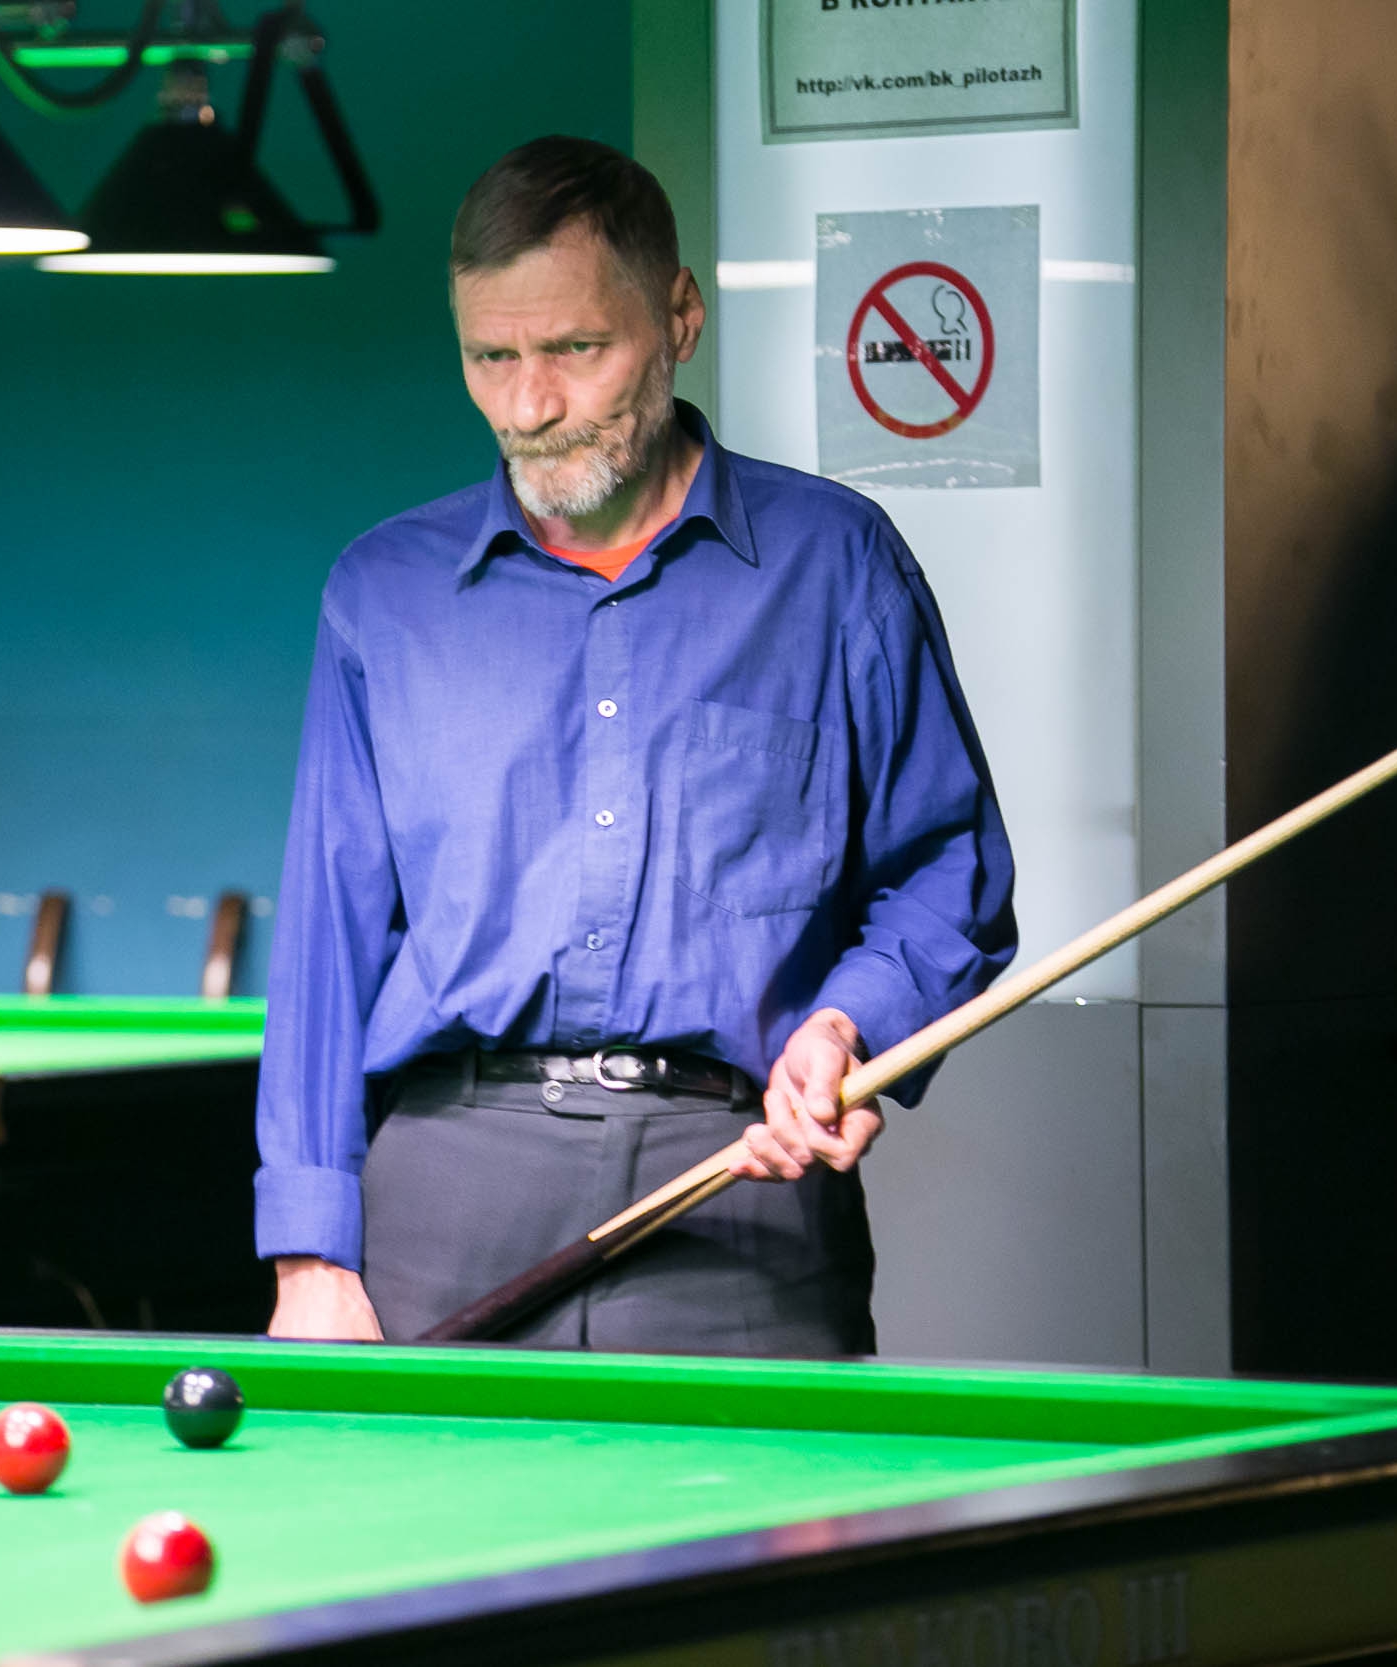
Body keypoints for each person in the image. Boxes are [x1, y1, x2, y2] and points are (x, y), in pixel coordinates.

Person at [256, 136, 1015, 1355]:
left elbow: (948, 874)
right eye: (491, 356)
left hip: (740, 1175)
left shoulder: (835, 565)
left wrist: (843, 1025)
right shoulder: (382, 594)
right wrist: (309, 1253)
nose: (529, 404)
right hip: (448, 1181)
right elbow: (324, 947)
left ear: (679, 319)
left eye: (574, 349)